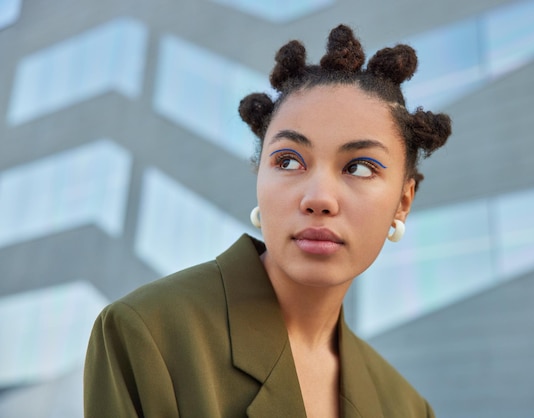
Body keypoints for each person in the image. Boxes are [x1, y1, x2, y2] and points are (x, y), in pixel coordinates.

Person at [84, 24, 451, 418]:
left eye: (359, 168)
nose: (319, 199)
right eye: (288, 161)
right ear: (260, 174)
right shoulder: (147, 336)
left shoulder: (407, 409)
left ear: (403, 202)